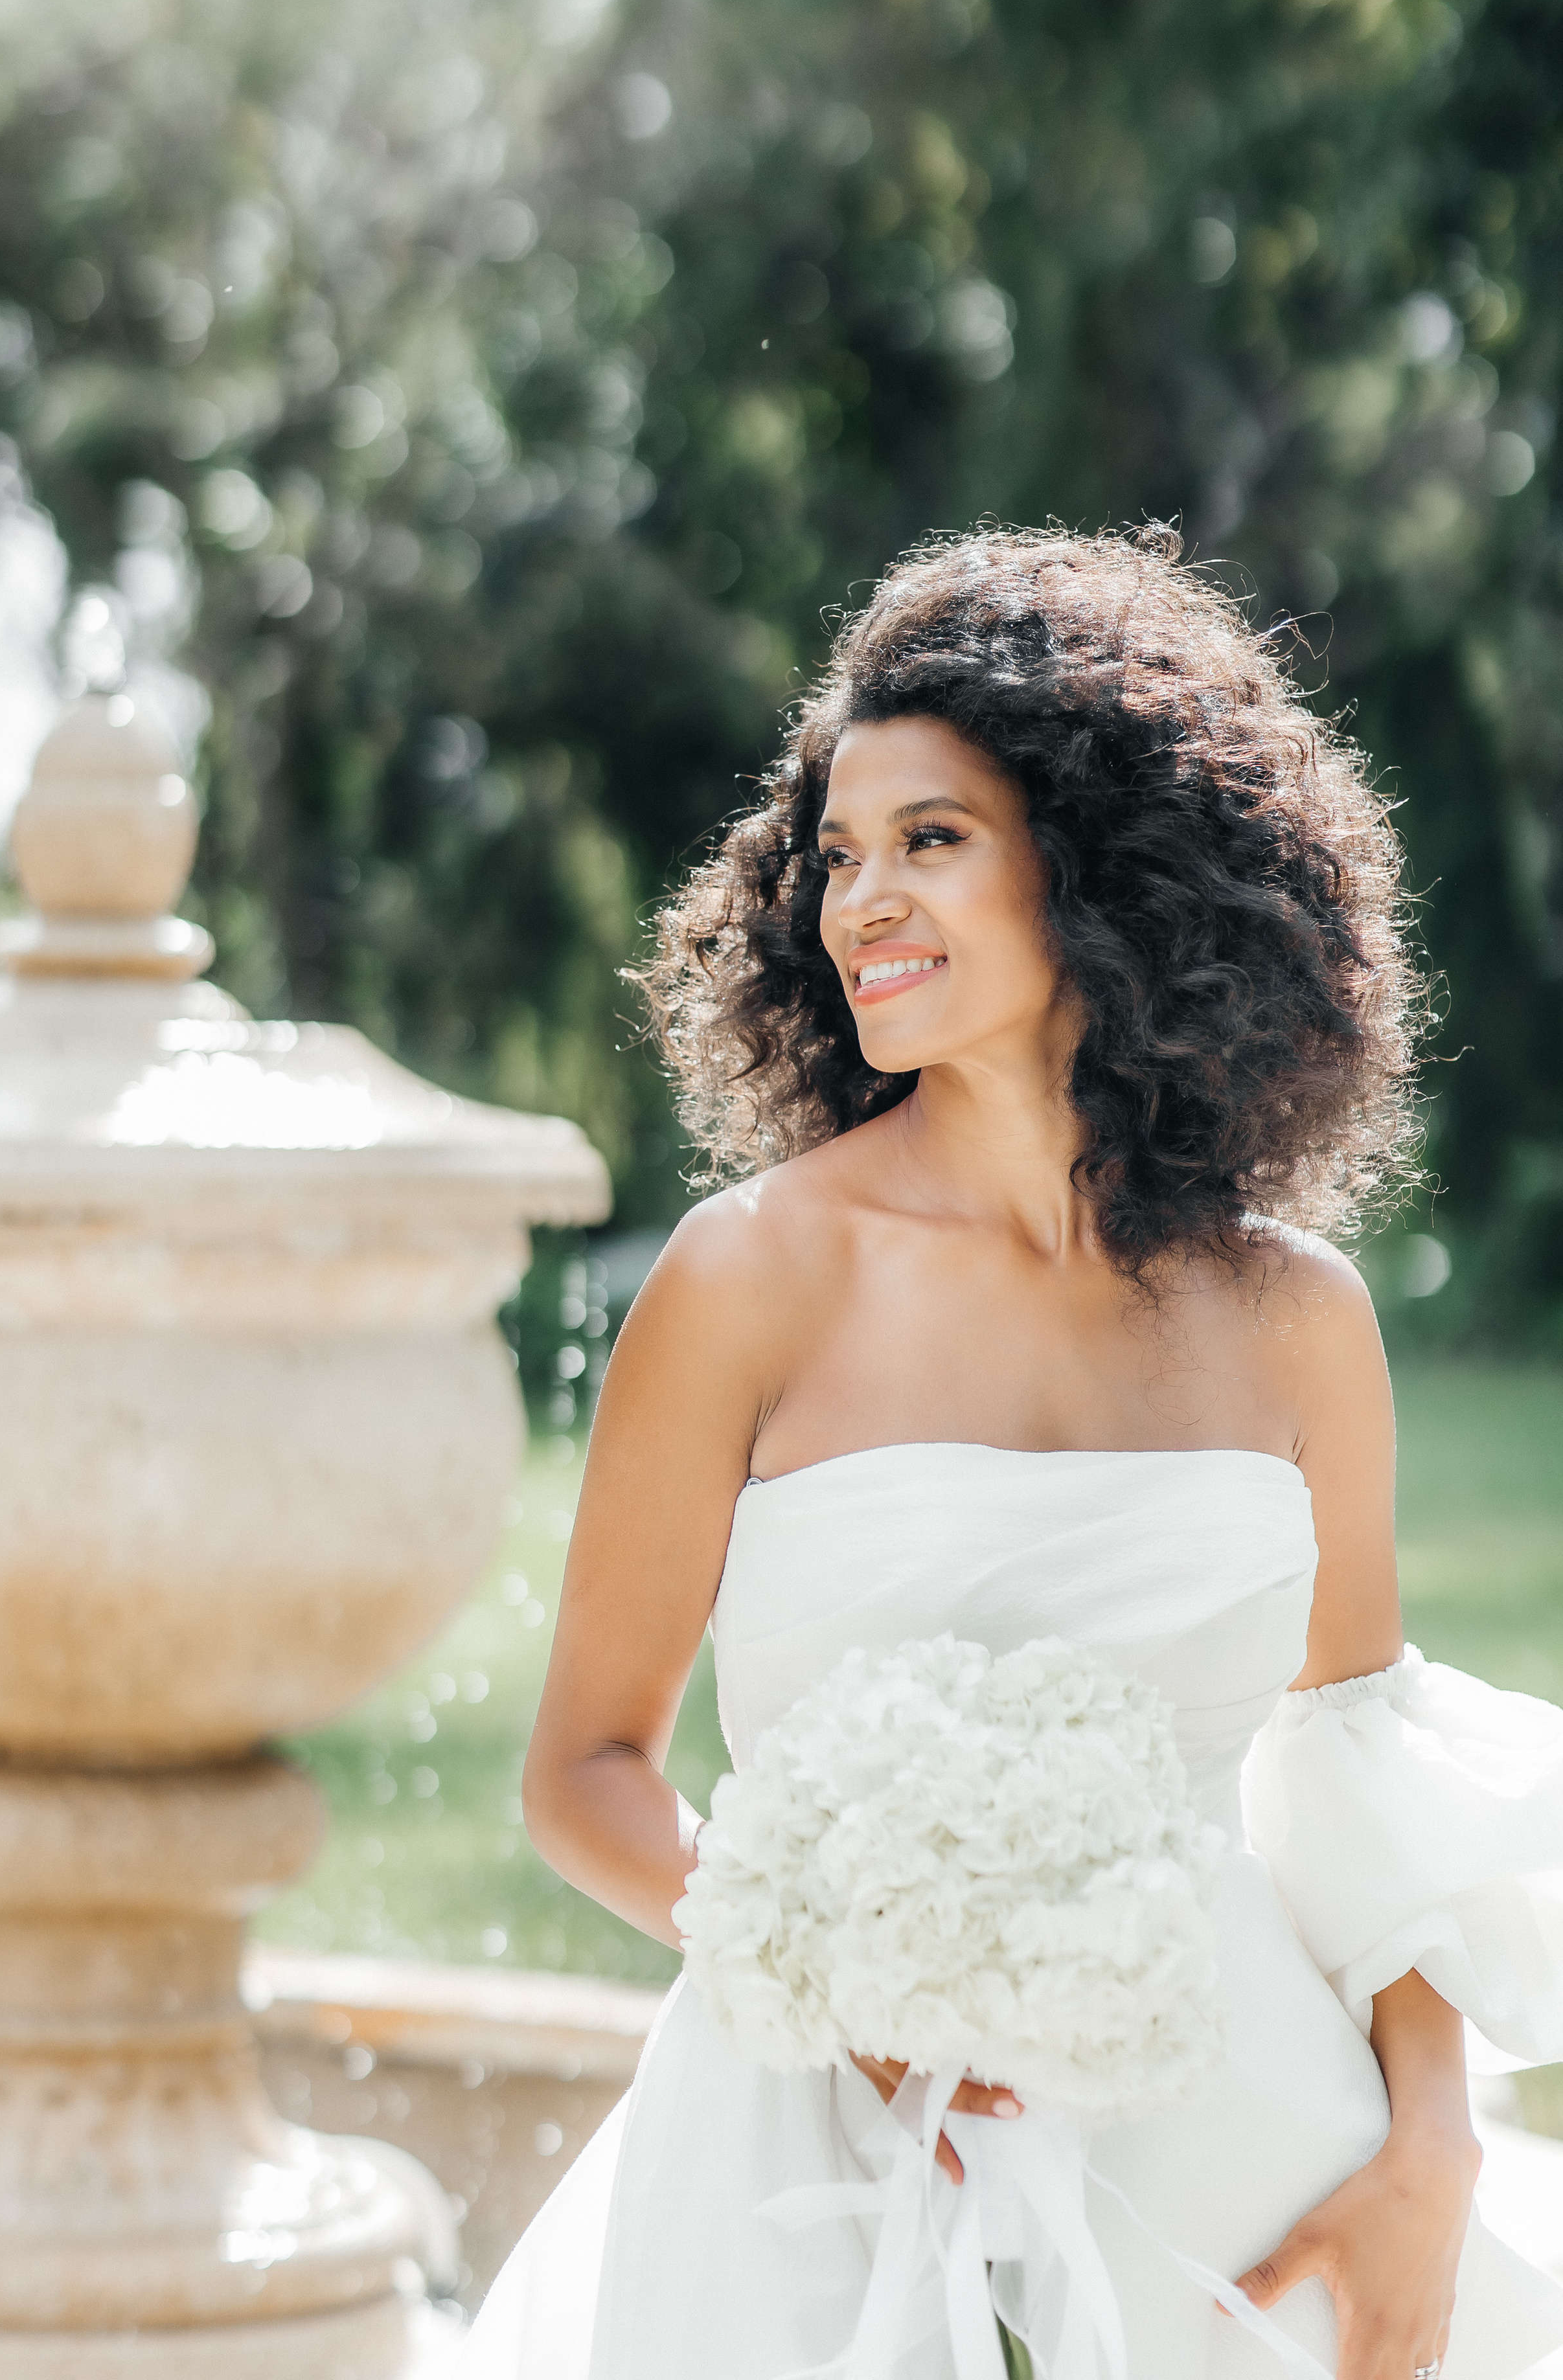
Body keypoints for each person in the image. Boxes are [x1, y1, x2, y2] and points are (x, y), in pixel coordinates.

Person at [465, 527, 1563, 2380]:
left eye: (932, 841)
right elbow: (585, 1772)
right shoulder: (749, 1283)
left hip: (1241, 2169)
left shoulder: (1297, 1323)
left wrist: (1432, 2155)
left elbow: (1355, 1779)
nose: (860, 900)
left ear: (1106, 866)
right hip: (808, 2179)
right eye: (836, 855)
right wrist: (840, 1974)